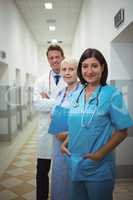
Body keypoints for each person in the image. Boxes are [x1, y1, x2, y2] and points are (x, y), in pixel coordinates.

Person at [61, 48, 133, 200]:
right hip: (75, 164)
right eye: (85, 66)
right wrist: (65, 143)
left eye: (94, 66)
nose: (89, 71)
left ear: (102, 67)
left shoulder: (112, 94)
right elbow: (76, 126)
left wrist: (99, 154)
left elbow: (123, 131)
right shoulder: (75, 95)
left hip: (99, 167)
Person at [33, 45, 66, 200]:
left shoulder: (71, 76)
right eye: (51, 58)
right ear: (48, 60)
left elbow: (72, 104)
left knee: (63, 169)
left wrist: (49, 101)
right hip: (45, 131)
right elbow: (36, 104)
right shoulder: (40, 80)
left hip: (65, 131)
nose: (54, 60)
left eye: (57, 57)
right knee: (42, 170)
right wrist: (60, 102)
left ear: (62, 57)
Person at [48, 57, 80, 200]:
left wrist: (66, 134)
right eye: (64, 69)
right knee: (59, 176)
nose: (67, 72)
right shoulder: (61, 93)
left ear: (77, 71)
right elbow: (54, 114)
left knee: (72, 181)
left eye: (71, 69)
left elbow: (87, 124)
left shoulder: (83, 92)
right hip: (57, 145)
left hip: (73, 145)